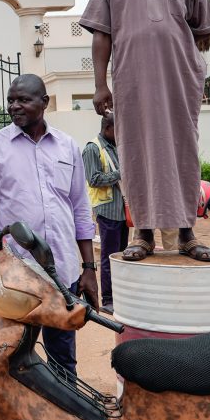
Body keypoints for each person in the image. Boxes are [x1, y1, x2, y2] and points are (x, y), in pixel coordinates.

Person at [79, 0, 210, 262]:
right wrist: (100, 85)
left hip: (177, 82)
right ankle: (142, 235)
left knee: (183, 150)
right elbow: (101, 35)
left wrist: (180, 59)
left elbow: (204, 29)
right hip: (131, 82)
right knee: (135, 152)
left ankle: (187, 234)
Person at [0, 75, 98, 377]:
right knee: (12, 355)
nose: (15, 106)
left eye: (23, 100)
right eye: (11, 100)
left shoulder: (67, 146)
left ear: (44, 102)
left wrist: (89, 268)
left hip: (63, 272)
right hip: (18, 276)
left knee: (63, 359)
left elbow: (80, 209)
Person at [82, 112, 124, 315]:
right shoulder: (92, 148)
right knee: (109, 256)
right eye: (118, 129)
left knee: (121, 256)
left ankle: (120, 296)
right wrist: (120, 173)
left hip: (121, 210)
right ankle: (108, 299)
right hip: (107, 209)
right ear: (107, 128)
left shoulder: (115, 146)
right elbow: (93, 179)